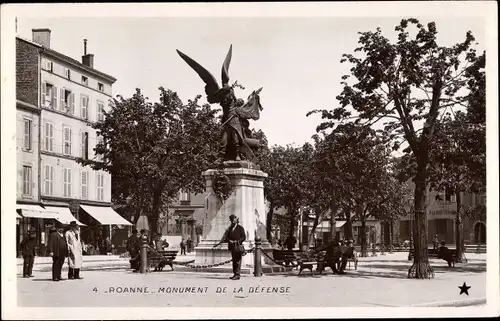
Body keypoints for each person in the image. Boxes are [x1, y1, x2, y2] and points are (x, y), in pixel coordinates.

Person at [214, 214, 246, 280]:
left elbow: (243, 237)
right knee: (234, 261)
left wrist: (237, 241)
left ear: (236, 220)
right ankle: (235, 274)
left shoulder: (240, 228)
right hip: (232, 246)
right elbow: (227, 237)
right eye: (231, 220)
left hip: (238, 246)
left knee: (238, 261)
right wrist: (229, 240)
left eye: (233, 220)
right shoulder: (230, 228)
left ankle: (237, 274)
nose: (232, 221)